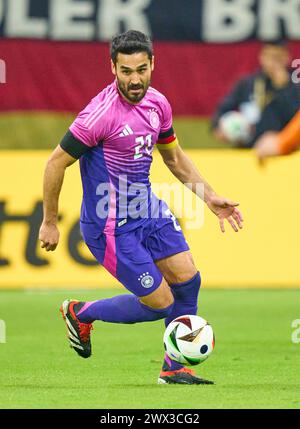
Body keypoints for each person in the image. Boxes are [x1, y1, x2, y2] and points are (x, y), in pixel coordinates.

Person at [39, 30, 243, 385]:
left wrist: (209, 196)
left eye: (142, 69)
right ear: (113, 68)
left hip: (148, 211)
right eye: (126, 71)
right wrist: (50, 222)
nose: (135, 79)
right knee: (160, 302)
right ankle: (81, 312)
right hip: (111, 227)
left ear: (153, 65)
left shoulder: (159, 104)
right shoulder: (98, 116)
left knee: (188, 281)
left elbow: (174, 158)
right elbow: (56, 163)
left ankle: (174, 367)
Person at [212, 41, 300, 148]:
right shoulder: (247, 84)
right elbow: (223, 108)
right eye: (269, 57)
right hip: (246, 149)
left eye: (278, 57)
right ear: (261, 57)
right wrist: (219, 127)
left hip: (281, 150)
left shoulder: (295, 86)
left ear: (287, 58)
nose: (273, 62)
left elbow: (295, 118)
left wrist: (284, 88)